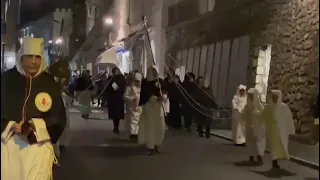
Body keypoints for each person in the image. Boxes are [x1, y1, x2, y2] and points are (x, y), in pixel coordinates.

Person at [1, 37, 66, 180]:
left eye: (37, 57)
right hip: (9, 146)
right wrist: (10, 125)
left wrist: (35, 126)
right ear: (21, 57)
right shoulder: (6, 79)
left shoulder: (48, 82)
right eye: (30, 56)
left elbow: (59, 117)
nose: (34, 61)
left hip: (39, 146)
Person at [262, 90, 295, 169]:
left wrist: (290, 129)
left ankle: (276, 160)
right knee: (274, 146)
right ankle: (274, 161)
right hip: (273, 130)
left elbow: (288, 119)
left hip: (282, 130)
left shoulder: (284, 107)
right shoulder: (269, 107)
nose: (274, 98)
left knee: (280, 145)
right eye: (273, 96)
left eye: (276, 96)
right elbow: (264, 117)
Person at [138, 66, 166, 155]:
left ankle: (157, 144)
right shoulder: (146, 83)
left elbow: (165, 90)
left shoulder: (160, 81)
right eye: (152, 71)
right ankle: (150, 147)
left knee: (159, 127)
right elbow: (146, 95)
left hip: (158, 108)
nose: (154, 72)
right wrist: (156, 99)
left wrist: (164, 96)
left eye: (155, 70)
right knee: (150, 128)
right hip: (149, 108)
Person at [242, 88, 266, 165]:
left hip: (258, 128)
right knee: (250, 143)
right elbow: (244, 116)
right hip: (249, 127)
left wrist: (256, 114)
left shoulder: (260, 106)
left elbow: (263, 117)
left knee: (258, 144)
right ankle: (251, 158)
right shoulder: (247, 106)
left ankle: (259, 158)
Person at [106, 67, 126, 134]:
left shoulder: (121, 78)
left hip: (118, 98)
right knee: (114, 113)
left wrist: (112, 83)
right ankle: (115, 125)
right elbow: (108, 88)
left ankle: (116, 126)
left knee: (117, 113)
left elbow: (117, 88)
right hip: (112, 98)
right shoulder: (111, 78)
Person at [124, 72, 143, 140]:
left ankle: (137, 134)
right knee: (132, 121)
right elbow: (125, 96)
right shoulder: (129, 88)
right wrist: (132, 99)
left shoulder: (142, 89)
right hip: (132, 108)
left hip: (140, 108)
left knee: (139, 121)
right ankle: (133, 134)